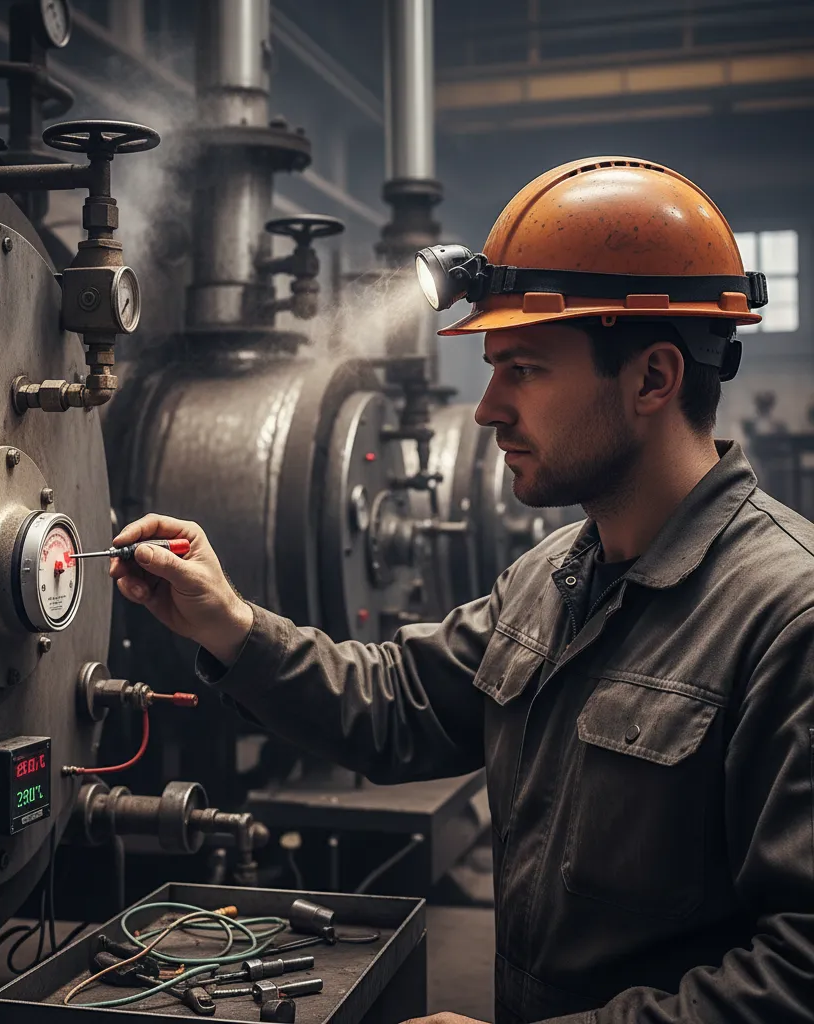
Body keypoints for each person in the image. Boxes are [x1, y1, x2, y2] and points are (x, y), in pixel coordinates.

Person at [110, 158, 814, 1024]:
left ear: (653, 379)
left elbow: (797, 976)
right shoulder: (554, 576)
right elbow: (400, 704)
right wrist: (229, 625)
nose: (485, 410)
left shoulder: (788, 620)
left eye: (524, 369)